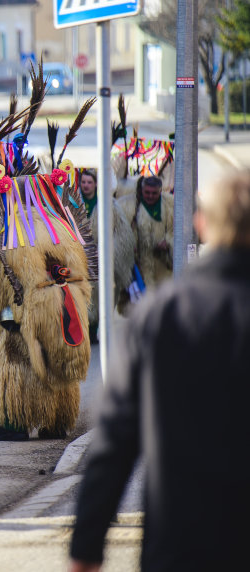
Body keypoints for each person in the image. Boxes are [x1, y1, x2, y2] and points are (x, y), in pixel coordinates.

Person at [69, 170, 250, 571]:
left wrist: (85, 549)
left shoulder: (159, 315)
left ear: (200, 224)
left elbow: (114, 440)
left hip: (178, 538)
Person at [115, 175, 173, 313]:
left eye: (154, 193)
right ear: (141, 190)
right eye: (147, 192)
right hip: (137, 270)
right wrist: (127, 246)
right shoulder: (124, 205)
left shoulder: (172, 205)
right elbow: (116, 231)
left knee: (163, 309)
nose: (150, 196)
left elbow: (180, 230)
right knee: (140, 312)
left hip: (163, 269)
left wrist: (169, 241)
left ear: (160, 191)